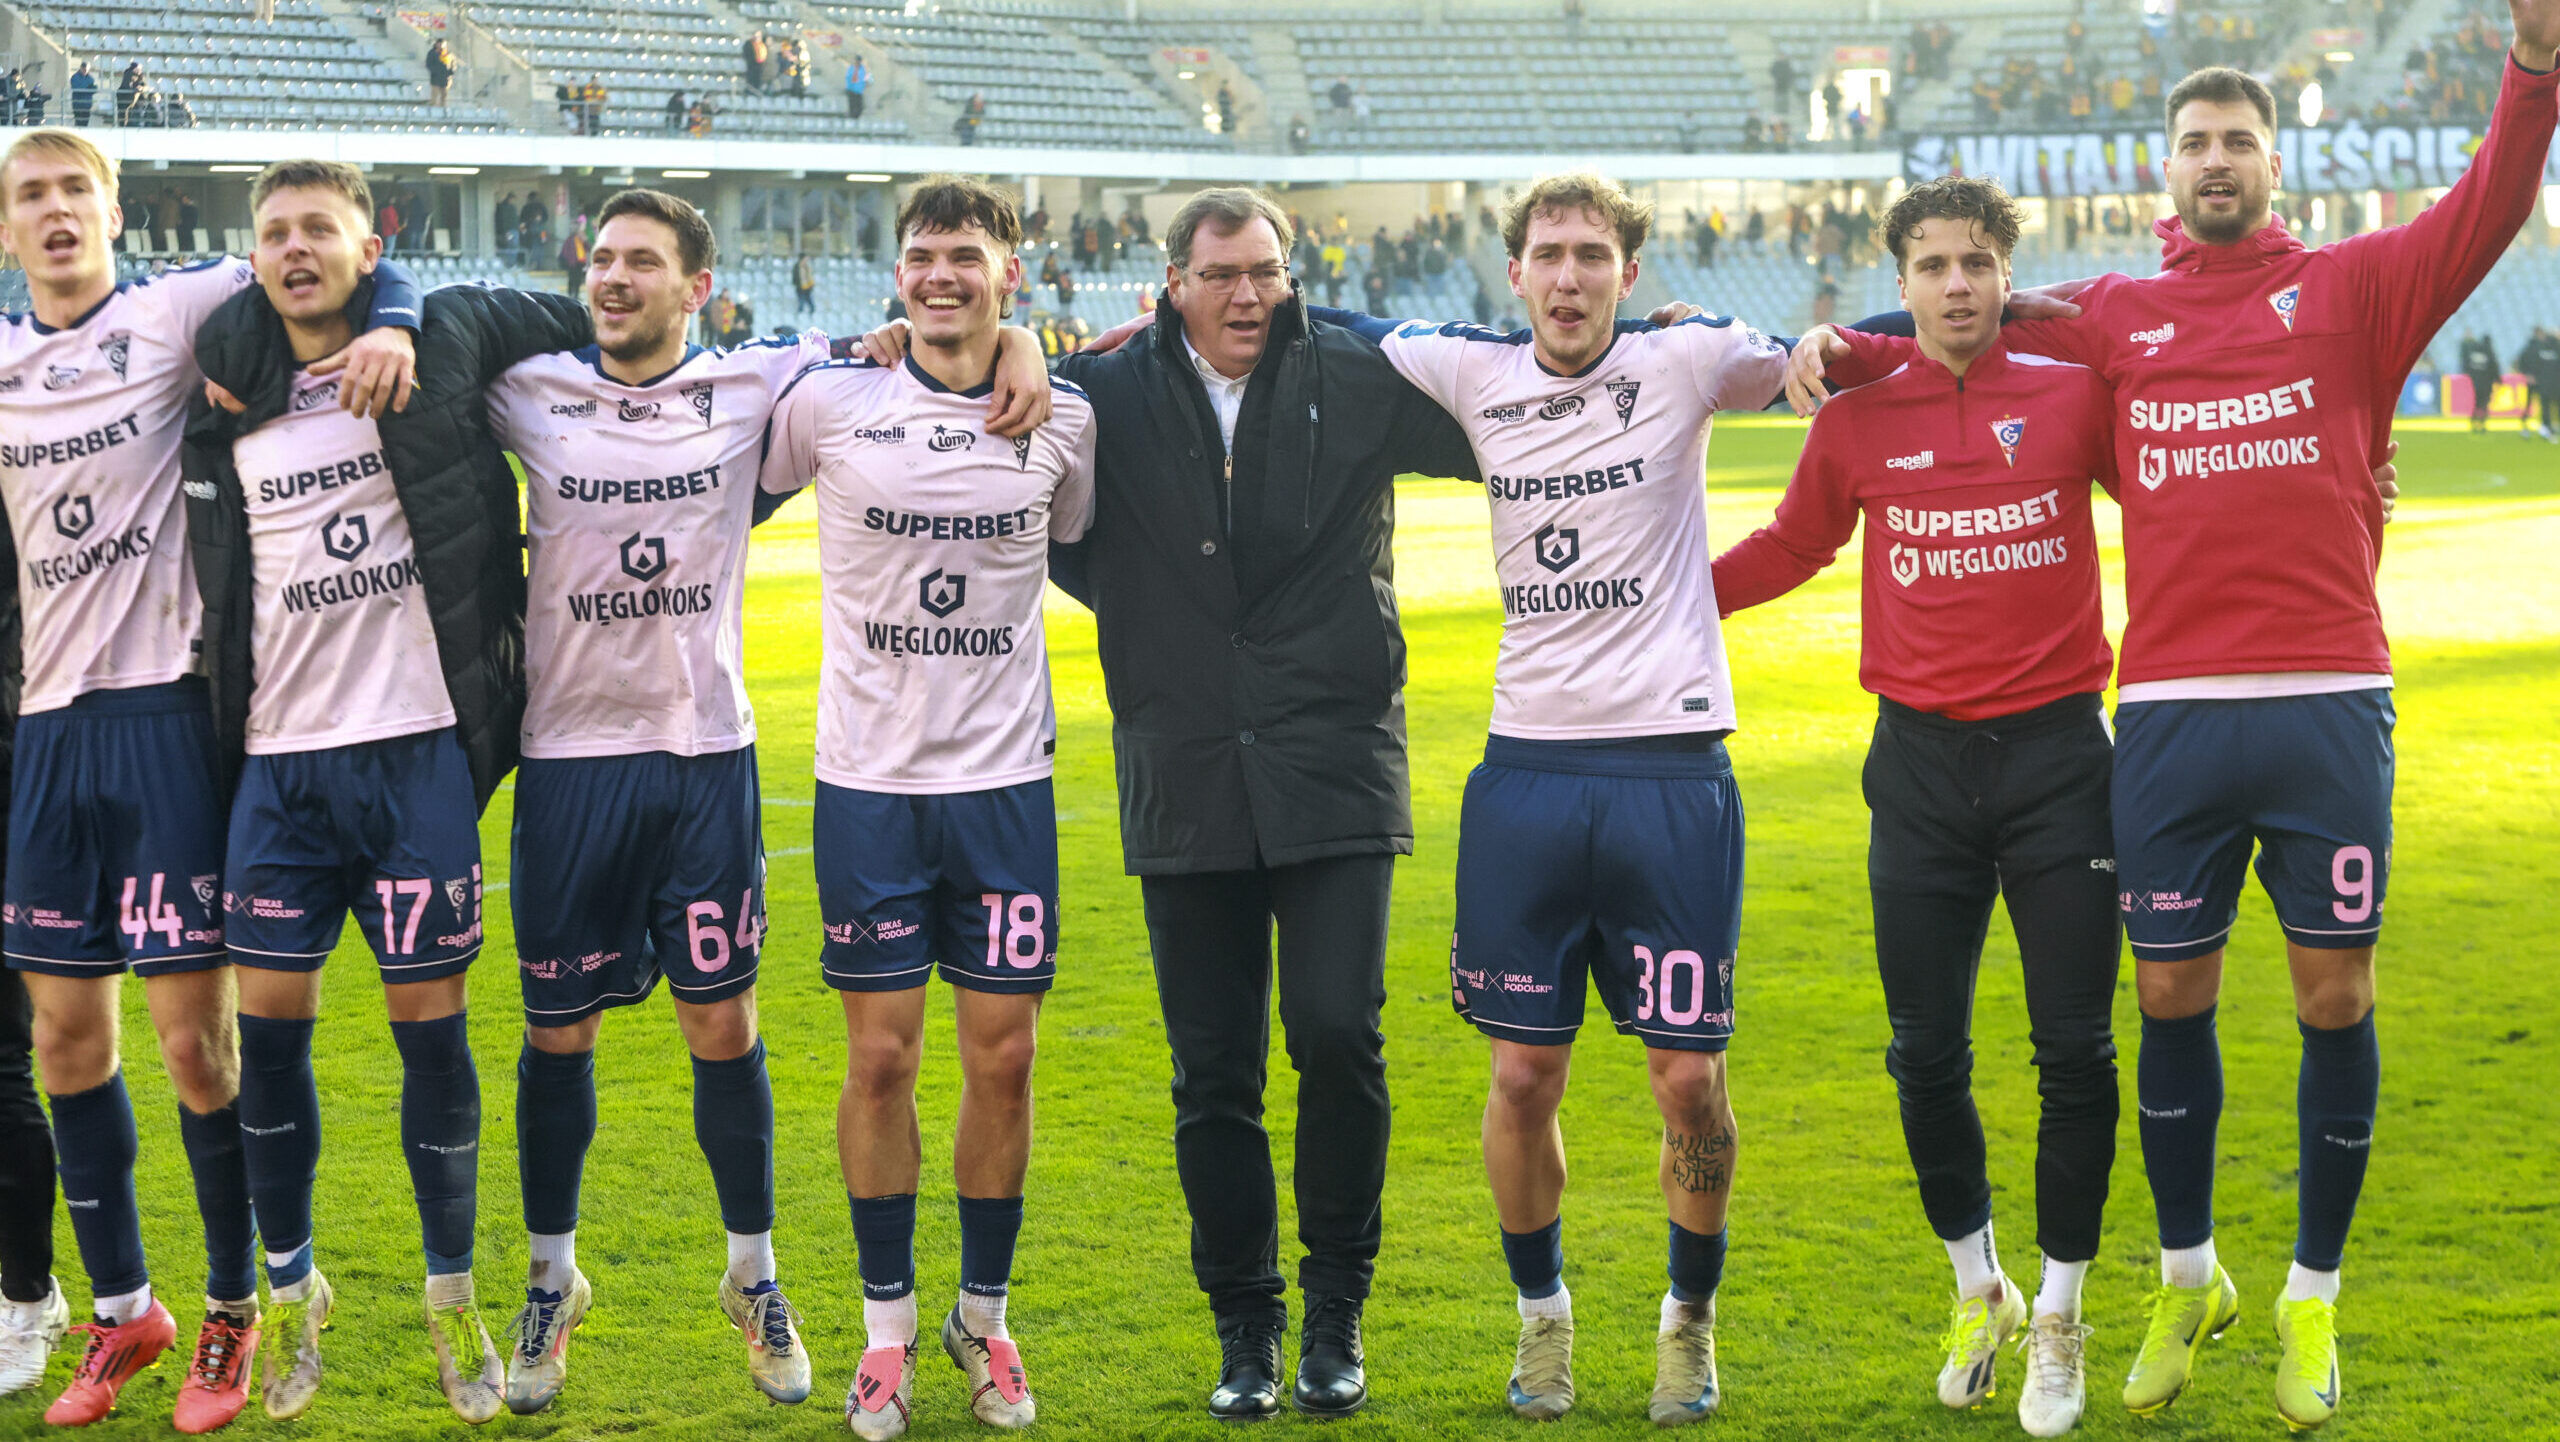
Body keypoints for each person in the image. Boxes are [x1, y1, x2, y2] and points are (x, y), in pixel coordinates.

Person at [1788, 12, 2560, 1427]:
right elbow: (1969, 317)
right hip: (2166, 714)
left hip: (2330, 697)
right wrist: (1837, 347)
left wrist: (2535, 66)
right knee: (2164, 997)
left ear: (2277, 164)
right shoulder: (2116, 314)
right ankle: (2189, 1271)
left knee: (2337, 993)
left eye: (2240, 143)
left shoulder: (2360, 287)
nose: (2218, 162)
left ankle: (2312, 1297)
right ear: (2169, 169)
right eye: (2197, 143)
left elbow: (2492, 204)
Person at [1300, 172, 1784, 1428]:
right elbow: (1311, 321)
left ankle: (1689, 1323)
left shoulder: (1687, 362)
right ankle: (1544, 1319)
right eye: (1547, 254)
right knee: (1522, 1072)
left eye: (1592, 254)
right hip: (1526, 773)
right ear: (1511, 273)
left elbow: (1833, 356)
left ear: (1628, 268)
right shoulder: (1468, 370)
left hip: (1671, 770)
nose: (1568, 276)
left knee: (1688, 1078)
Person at [1038, 189, 1480, 1421]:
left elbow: (1515, 401)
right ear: (1170, 279)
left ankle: (1336, 1307)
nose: (1248, 296)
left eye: (1269, 274)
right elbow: (1046, 512)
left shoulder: (1355, 370)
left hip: (1334, 760)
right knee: (1212, 1072)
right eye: (1223, 274)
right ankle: (1244, 1325)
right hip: (1182, 769)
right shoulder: (1100, 394)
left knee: (1339, 1035)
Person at [0, 129, 417, 1433]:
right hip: (47, 735)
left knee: (194, 1046)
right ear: (7, 228)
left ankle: (233, 1309)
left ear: (115, 210)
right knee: (64, 1040)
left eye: (77, 191)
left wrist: (395, 314)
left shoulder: (177, 312)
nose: (57, 212)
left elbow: (351, 276)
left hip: (170, 716)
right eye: (31, 197)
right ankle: (125, 1312)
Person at [180, 158, 586, 1426]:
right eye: (276, 233)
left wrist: (404, 312)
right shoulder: (226, 378)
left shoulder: (443, 330)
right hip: (277, 768)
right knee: (274, 1043)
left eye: (323, 229)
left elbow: (581, 316)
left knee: (433, 1038)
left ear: (372, 240)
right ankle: (297, 1296)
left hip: (417, 756)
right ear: (253, 256)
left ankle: (451, 1295)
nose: (298, 248)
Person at [1716, 176, 2124, 1438]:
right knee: (1924, 1052)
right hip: (1919, 774)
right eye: (1935, 264)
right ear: (1899, 280)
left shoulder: (2072, 397)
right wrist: (1650, 588)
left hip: (2061, 761)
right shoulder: (1854, 419)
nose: (1958, 283)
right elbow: (1789, 547)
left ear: (2008, 272)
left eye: (1979, 262)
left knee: (2075, 1052)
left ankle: (2059, 1310)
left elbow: (2178, 499)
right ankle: (1977, 1283)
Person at [482, 188, 882, 1416]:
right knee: (561, 1031)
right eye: (600, 258)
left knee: (723, 1022)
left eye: (641, 262)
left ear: (695, 286)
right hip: (566, 762)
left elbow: (912, 348)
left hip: (703, 756)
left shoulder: (757, 385)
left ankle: (752, 1277)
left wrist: (1021, 343)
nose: (613, 278)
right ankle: (553, 1277)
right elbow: (420, 325)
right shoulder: (531, 386)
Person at [760, 175, 1087, 1442]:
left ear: (1009, 269)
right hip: (869, 788)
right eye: (919, 256)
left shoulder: (1065, 419)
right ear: (895, 273)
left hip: (1005, 788)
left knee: (1002, 1058)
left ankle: (983, 1316)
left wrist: (1033, 357)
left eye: (964, 255)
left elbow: (1082, 534)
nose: (938, 274)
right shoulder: (835, 397)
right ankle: (885, 1332)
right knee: (881, 1056)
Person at [2519, 322, 2560, 437]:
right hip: (2535, 380)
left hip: (2545, 380)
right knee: (2531, 402)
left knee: (2548, 402)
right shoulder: (2531, 346)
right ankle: (2525, 425)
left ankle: (2547, 426)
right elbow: (2523, 361)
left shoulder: (2551, 346)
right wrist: (2528, 374)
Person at [2458, 331, 2502, 431]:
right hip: (2487, 382)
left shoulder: (2474, 352)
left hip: (2476, 381)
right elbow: (2494, 367)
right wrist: (2498, 380)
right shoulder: (2489, 352)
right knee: (2484, 402)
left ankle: (2474, 421)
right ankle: (2482, 423)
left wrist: (2470, 374)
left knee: (2477, 402)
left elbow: (2467, 365)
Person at [425, 38, 455, 106]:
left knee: (444, 95)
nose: (441, 45)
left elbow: (453, 63)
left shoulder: (448, 53)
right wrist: (435, 71)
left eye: (442, 44)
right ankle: (432, 109)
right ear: (436, 44)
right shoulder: (432, 53)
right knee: (434, 95)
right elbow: (428, 64)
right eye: (439, 43)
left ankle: (442, 109)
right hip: (435, 78)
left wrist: (450, 72)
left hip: (445, 78)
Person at [795, 251, 816, 316]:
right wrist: (799, 285)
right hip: (801, 288)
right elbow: (795, 278)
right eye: (806, 258)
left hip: (808, 287)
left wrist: (811, 284)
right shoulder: (797, 267)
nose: (807, 259)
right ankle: (800, 314)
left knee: (810, 302)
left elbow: (810, 276)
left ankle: (812, 313)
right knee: (801, 302)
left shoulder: (807, 266)